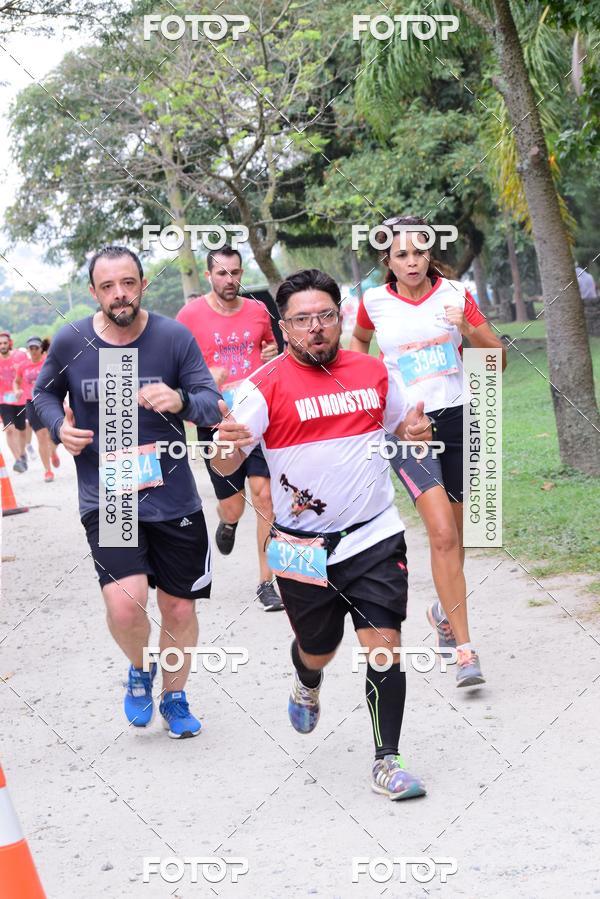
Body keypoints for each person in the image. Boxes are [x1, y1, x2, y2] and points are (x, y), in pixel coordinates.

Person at [213, 268, 433, 799]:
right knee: (320, 647)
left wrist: (414, 431)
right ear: (284, 328)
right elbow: (225, 466)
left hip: (373, 537)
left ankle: (387, 760)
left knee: (385, 645)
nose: (316, 328)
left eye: (326, 316)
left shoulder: (374, 372)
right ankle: (307, 680)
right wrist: (226, 444)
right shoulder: (261, 388)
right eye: (302, 320)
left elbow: (403, 426)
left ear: (339, 317)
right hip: (301, 547)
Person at [34, 246, 222, 738]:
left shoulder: (173, 337)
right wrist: (58, 426)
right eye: (108, 286)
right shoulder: (72, 340)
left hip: (174, 495)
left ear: (141, 284)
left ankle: (175, 697)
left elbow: (211, 404)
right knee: (125, 602)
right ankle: (141, 669)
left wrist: (181, 400)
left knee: (179, 607)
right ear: (94, 292)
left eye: (129, 283)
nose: (120, 294)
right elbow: (44, 394)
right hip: (110, 492)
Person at [351, 215, 506, 687]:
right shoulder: (373, 302)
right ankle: (465, 651)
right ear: (388, 260)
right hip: (409, 428)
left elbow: (495, 361)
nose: (411, 261)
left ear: (429, 252)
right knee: (441, 535)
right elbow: (358, 346)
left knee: (457, 539)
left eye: (419, 252)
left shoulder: (456, 295)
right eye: (401, 254)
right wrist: (385, 397)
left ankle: (442, 611)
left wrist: (469, 329)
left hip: (460, 419)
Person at [176, 245, 283, 611]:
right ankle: (228, 522)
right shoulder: (189, 315)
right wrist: (205, 378)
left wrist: (271, 353)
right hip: (216, 422)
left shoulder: (257, 310)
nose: (230, 280)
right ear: (208, 276)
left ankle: (266, 581)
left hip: (257, 418)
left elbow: (272, 349)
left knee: (265, 495)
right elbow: (176, 370)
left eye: (235, 272)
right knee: (233, 505)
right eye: (221, 273)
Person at [14, 336, 60, 482]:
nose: (33, 351)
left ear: (41, 349)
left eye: (36, 348)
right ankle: (48, 471)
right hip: (31, 403)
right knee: (41, 436)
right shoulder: (23, 366)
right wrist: (17, 391)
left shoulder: (48, 362)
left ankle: (52, 451)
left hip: (49, 400)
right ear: (28, 350)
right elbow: (16, 382)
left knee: (53, 435)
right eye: (31, 348)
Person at [0, 331, 28, 472]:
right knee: (9, 430)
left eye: (5, 343)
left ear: (9, 343)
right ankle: (17, 460)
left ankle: (23, 454)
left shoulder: (19, 356)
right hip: (3, 400)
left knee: (21, 429)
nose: (3, 346)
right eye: (0, 344)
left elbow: (26, 374)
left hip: (19, 398)